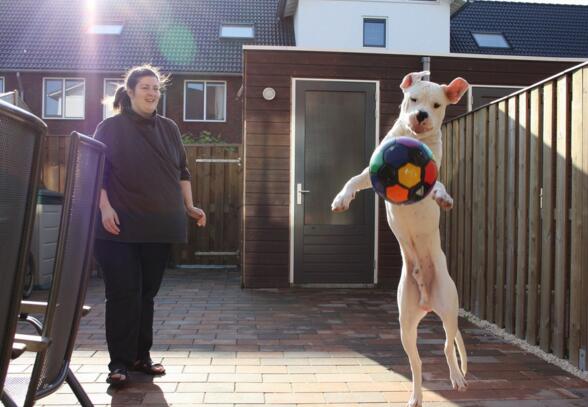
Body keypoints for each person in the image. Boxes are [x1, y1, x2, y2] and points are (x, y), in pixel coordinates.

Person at [93, 65, 206, 385]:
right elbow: (96, 173)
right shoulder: (110, 127)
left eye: (156, 88)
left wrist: (189, 206)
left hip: (159, 226)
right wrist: (104, 208)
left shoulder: (169, 128)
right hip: (118, 227)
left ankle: (141, 357)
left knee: (146, 295)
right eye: (145, 87)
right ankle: (119, 364)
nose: (152, 92)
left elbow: (182, 171)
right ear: (130, 92)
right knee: (123, 294)